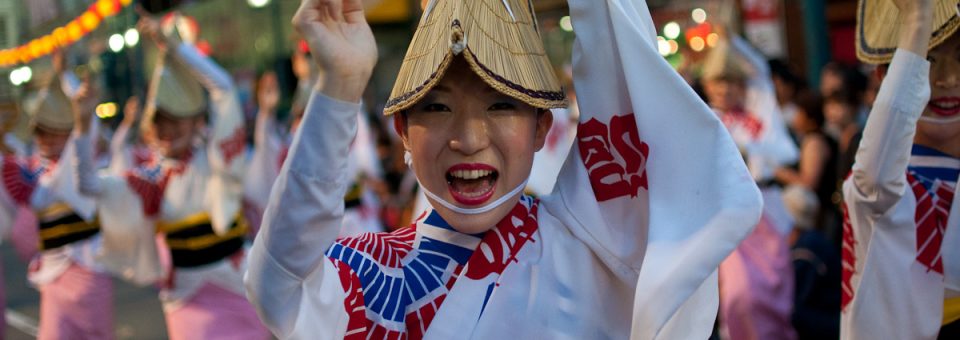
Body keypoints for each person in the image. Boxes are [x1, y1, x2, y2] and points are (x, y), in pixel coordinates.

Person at [245, 0, 763, 338]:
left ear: (543, 128)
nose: (468, 139)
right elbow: (276, 285)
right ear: (402, 130)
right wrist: (339, 85)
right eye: (436, 107)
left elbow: (625, 67)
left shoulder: (594, 248)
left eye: (500, 106)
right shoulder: (369, 269)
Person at [71, 14, 269, 340]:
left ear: (196, 122)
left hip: (239, 286)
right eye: (160, 121)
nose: (168, 129)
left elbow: (223, 88)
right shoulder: (152, 181)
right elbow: (89, 184)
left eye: (177, 119)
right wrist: (81, 126)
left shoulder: (216, 160)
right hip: (188, 300)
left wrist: (176, 49)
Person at [842, 0, 960, 339]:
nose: (948, 78)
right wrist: (917, 20)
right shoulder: (879, 185)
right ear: (886, 75)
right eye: (929, 58)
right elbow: (875, 181)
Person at [0, 69, 113, 339]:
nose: (44, 139)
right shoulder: (33, 173)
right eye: (40, 133)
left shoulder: (80, 168)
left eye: (53, 132)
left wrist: (70, 85)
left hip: (89, 276)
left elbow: (83, 142)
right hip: (51, 279)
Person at [701, 34, 799, 340]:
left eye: (731, 81)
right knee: (739, 295)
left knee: (778, 288)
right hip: (733, 217)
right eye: (718, 81)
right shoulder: (707, 120)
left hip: (770, 210)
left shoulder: (759, 112)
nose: (725, 88)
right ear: (707, 86)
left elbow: (759, 71)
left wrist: (734, 43)